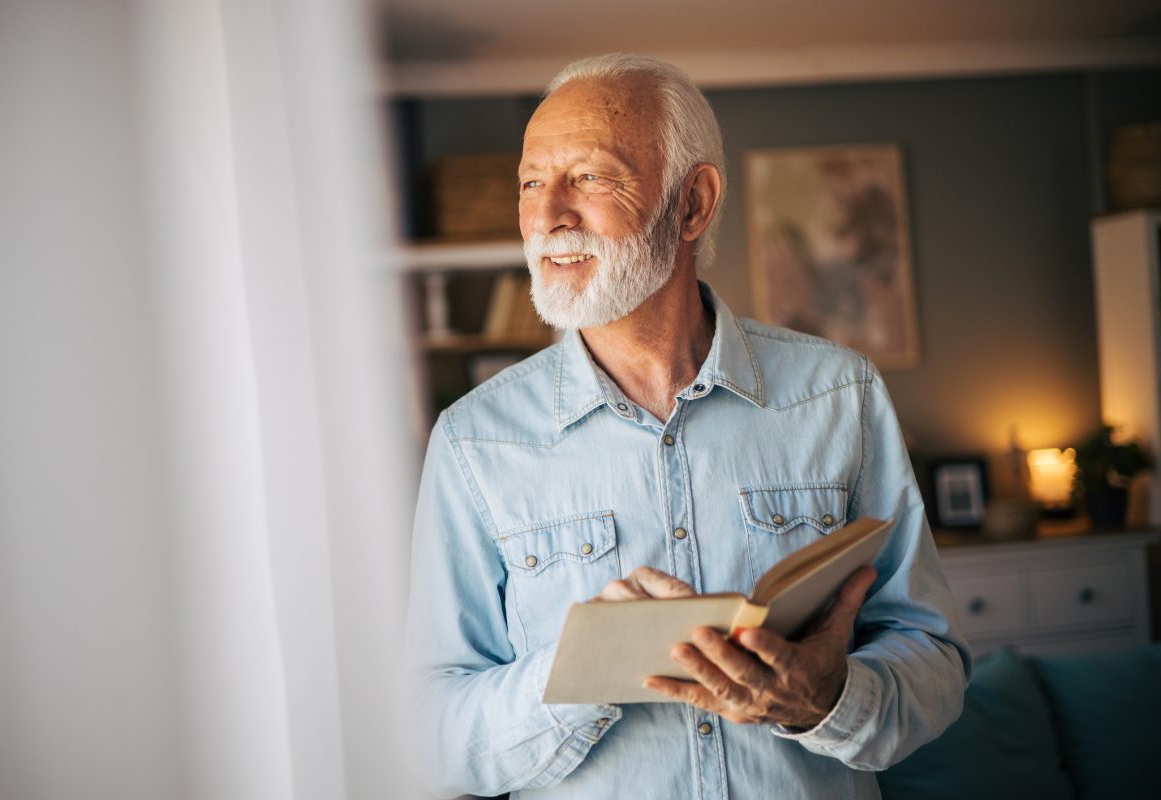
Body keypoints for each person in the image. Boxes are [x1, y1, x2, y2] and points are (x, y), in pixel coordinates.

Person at [404, 53, 969, 800]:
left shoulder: (841, 395)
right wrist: (583, 672)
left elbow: (932, 662)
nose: (547, 217)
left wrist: (829, 700)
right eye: (532, 183)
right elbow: (433, 739)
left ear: (693, 204)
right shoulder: (473, 441)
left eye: (590, 177)